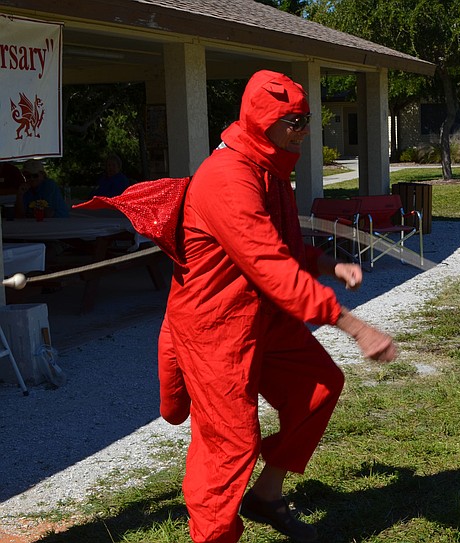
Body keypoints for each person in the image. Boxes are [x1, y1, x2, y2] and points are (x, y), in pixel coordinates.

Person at [80, 70, 397, 543]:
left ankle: (266, 496)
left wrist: (326, 264)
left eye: (308, 117)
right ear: (263, 119)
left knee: (319, 388)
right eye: (296, 120)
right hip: (215, 332)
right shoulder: (229, 178)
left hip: (262, 319)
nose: (305, 128)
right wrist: (352, 325)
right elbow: (269, 264)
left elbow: (280, 248)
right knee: (229, 446)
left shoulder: (268, 170)